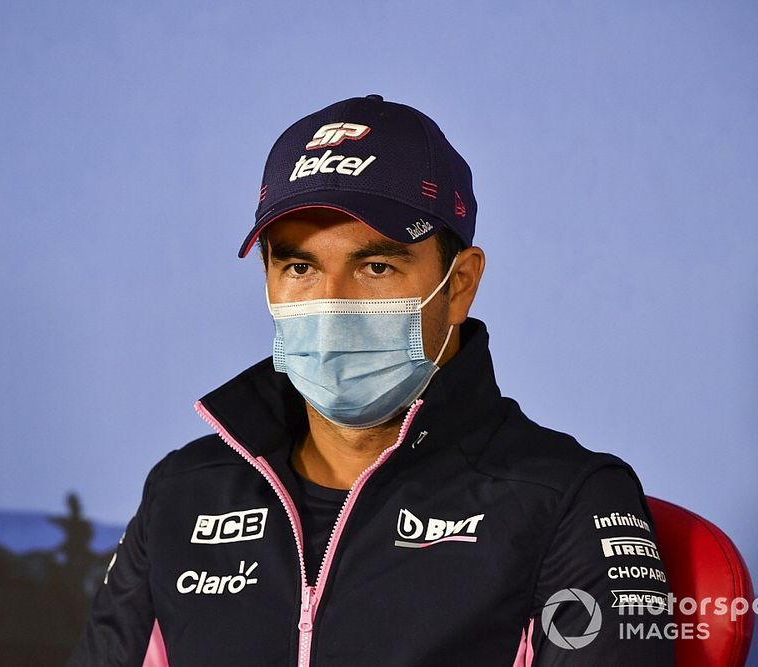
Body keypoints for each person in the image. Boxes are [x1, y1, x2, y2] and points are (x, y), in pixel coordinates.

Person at [68, 95, 674, 666]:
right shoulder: (183, 492)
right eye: (299, 266)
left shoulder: (566, 499)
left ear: (459, 283)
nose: (332, 303)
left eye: (375, 265)